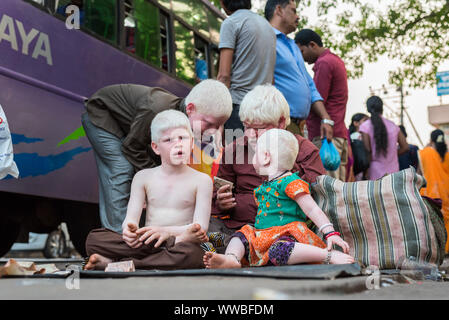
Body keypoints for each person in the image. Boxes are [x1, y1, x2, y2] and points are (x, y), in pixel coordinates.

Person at [82, 80, 232, 233]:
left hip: (132, 133)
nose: (212, 132)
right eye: (209, 124)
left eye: (218, 126)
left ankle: (140, 232)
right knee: (122, 168)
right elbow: (132, 147)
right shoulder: (156, 109)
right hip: (103, 115)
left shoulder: (179, 124)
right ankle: (118, 236)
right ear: (190, 109)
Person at [204, 129, 355, 268]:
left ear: (265, 157)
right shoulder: (266, 185)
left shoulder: (291, 182)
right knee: (242, 234)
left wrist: (330, 233)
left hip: (287, 237)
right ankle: (232, 259)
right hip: (263, 236)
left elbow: (312, 208)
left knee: (280, 250)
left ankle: (327, 255)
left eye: (255, 153)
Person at [84, 110, 212, 270]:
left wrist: (166, 233)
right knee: (94, 238)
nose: (178, 144)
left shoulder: (202, 180)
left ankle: (118, 264)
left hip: (179, 241)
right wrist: (129, 230)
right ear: (156, 147)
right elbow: (130, 219)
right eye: (168, 140)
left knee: (193, 255)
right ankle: (148, 257)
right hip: (146, 243)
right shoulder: (143, 177)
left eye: (182, 138)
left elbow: (200, 227)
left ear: (192, 142)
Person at [209, 84, 326, 251]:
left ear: (281, 123)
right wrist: (221, 201)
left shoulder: (304, 151)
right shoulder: (234, 150)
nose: (250, 135)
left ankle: (245, 253)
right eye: (246, 126)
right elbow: (217, 199)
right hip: (238, 228)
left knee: (290, 244)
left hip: (285, 231)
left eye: (258, 129)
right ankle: (244, 252)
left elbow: (318, 199)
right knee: (204, 229)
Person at [264, 0, 333, 141]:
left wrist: (326, 118)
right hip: (278, 125)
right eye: (293, 11)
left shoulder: (294, 46)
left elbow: (310, 85)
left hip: (299, 127)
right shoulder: (264, 38)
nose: (298, 17)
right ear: (279, 10)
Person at [295, 29, 349, 180]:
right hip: (337, 133)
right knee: (339, 188)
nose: (301, 57)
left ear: (312, 45)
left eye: (302, 51)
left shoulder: (324, 63)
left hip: (325, 136)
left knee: (327, 188)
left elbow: (316, 97)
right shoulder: (335, 60)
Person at [218, 0, 276, 134]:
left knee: (237, 154)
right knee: (261, 154)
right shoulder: (267, 27)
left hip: (239, 108)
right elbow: (271, 78)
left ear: (223, 3)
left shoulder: (231, 22)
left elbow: (224, 76)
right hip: (264, 111)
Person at [359, 96, 409, 180]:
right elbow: (405, 147)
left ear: (368, 109)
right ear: (382, 108)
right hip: (393, 173)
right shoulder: (393, 126)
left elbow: (367, 151)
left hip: (374, 173)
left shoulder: (365, 127)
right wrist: (392, 154)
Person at [418, 129, 449, 253]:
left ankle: (436, 250)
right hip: (446, 191)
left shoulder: (425, 153)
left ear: (431, 140)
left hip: (431, 192)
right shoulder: (447, 154)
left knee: (432, 222)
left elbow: (419, 173)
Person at [349, 113, 369, 180]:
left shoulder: (351, 136)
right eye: (365, 120)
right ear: (356, 123)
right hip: (360, 169)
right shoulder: (357, 136)